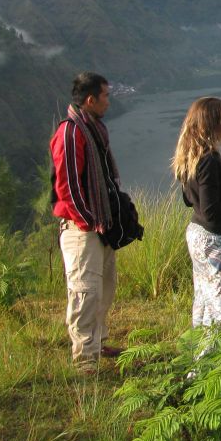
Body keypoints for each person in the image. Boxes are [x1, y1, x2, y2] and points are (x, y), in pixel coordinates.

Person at [50, 72, 123, 372]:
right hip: (83, 229)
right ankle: (84, 360)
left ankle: (97, 343)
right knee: (84, 292)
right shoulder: (71, 134)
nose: (109, 100)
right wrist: (89, 222)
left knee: (104, 287)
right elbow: (67, 188)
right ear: (90, 100)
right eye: (105, 95)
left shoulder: (93, 129)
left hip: (99, 226)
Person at [172, 97, 221, 330]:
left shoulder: (192, 157)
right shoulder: (209, 160)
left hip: (197, 235)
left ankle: (200, 361)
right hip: (213, 241)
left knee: (206, 302)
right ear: (212, 123)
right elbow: (211, 212)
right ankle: (216, 360)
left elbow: (190, 199)